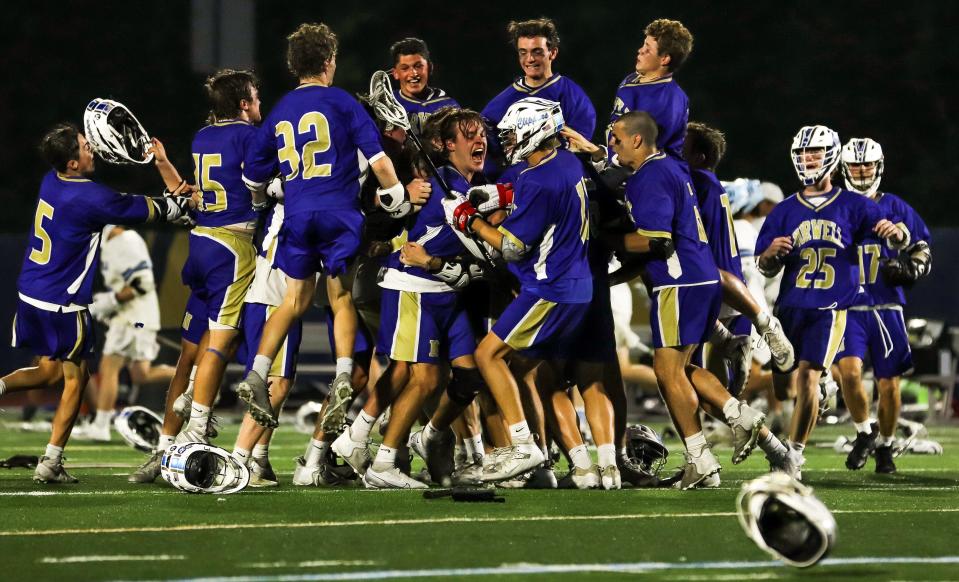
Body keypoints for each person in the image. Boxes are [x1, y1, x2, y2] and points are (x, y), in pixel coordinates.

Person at [239, 22, 413, 433]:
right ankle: (341, 375)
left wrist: (266, 200)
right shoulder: (340, 102)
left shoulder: (280, 108)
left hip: (297, 216)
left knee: (294, 300)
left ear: (293, 64)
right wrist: (397, 197)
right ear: (329, 62)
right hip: (339, 213)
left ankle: (255, 374)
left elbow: (253, 178)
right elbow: (380, 164)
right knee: (340, 297)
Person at [0, 123, 191, 483]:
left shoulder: (50, 180)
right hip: (62, 302)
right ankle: (51, 463)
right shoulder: (90, 197)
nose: (94, 151)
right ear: (71, 163)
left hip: (30, 293)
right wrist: (179, 201)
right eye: (87, 147)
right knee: (77, 378)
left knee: (50, 371)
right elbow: (149, 210)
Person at [605, 112, 767, 489]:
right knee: (678, 368)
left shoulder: (651, 174)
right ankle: (735, 416)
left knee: (667, 372)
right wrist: (615, 276)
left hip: (679, 283)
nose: (612, 145)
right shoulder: (674, 169)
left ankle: (702, 458)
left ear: (637, 141)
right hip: (700, 278)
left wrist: (606, 240)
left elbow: (655, 240)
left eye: (616, 138)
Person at [442, 97, 592, 482]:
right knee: (520, 371)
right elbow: (526, 190)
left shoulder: (541, 179)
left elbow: (511, 246)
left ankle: (522, 446)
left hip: (549, 288)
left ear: (535, 130)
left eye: (512, 133)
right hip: (575, 287)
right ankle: (561, 461)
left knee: (487, 356)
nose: (506, 141)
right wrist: (499, 196)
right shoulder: (563, 162)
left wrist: (468, 220)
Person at [756, 126, 908, 480]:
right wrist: (770, 255)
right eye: (804, 154)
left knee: (807, 376)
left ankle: (793, 457)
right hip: (791, 304)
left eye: (815, 153)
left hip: (832, 306)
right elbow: (764, 267)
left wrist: (897, 234)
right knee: (783, 384)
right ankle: (823, 388)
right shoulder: (783, 210)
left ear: (831, 158)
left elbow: (896, 237)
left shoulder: (855, 205)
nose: (809, 160)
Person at [833, 138, 931, 474]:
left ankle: (886, 446)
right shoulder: (835, 205)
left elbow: (922, 249)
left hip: (886, 305)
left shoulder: (896, 206)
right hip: (847, 305)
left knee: (889, 384)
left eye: (867, 165)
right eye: (856, 166)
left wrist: (909, 263)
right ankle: (865, 432)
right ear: (845, 168)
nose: (862, 171)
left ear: (879, 166)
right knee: (849, 373)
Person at [176, 69, 261, 444]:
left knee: (214, 328)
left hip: (201, 238)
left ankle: (191, 389)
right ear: (244, 104)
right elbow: (260, 186)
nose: (259, 102)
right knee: (222, 342)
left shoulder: (202, 135)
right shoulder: (249, 135)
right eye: (255, 97)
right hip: (231, 243)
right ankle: (195, 428)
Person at [74, 225, 175, 441]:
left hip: (133, 318)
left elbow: (143, 283)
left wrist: (109, 303)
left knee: (108, 367)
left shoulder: (126, 241)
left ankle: (100, 426)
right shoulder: (113, 244)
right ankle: (194, 378)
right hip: (136, 316)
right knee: (141, 375)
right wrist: (109, 308)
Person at [482, 17, 595, 178]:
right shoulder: (498, 105)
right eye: (523, 53)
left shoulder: (573, 97)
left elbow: (580, 151)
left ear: (553, 52)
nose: (530, 59)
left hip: (560, 184)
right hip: (517, 189)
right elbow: (488, 158)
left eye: (537, 52)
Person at [607, 19, 693, 161]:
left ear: (664, 59)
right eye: (643, 44)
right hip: (620, 165)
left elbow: (643, 157)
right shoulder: (633, 78)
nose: (640, 50)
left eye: (648, 48)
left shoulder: (669, 101)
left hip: (649, 176)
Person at [390, 37, 460, 136]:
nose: (413, 73)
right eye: (405, 68)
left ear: (430, 67)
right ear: (395, 73)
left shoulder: (448, 105)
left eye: (418, 66)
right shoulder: (387, 103)